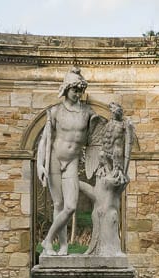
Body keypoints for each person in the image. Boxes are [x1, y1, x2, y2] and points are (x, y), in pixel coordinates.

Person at [36, 68, 100, 255]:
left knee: (70, 206)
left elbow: (95, 138)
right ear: (66, 89)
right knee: (58, 205)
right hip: (55, 159)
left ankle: (47, 240)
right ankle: (62, 246)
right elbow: (45, 139)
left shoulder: (88, 112)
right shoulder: (55, 112)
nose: (78, 94)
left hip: (72, 161)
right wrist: (41, 163)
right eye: (74, 90)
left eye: (80, 90)